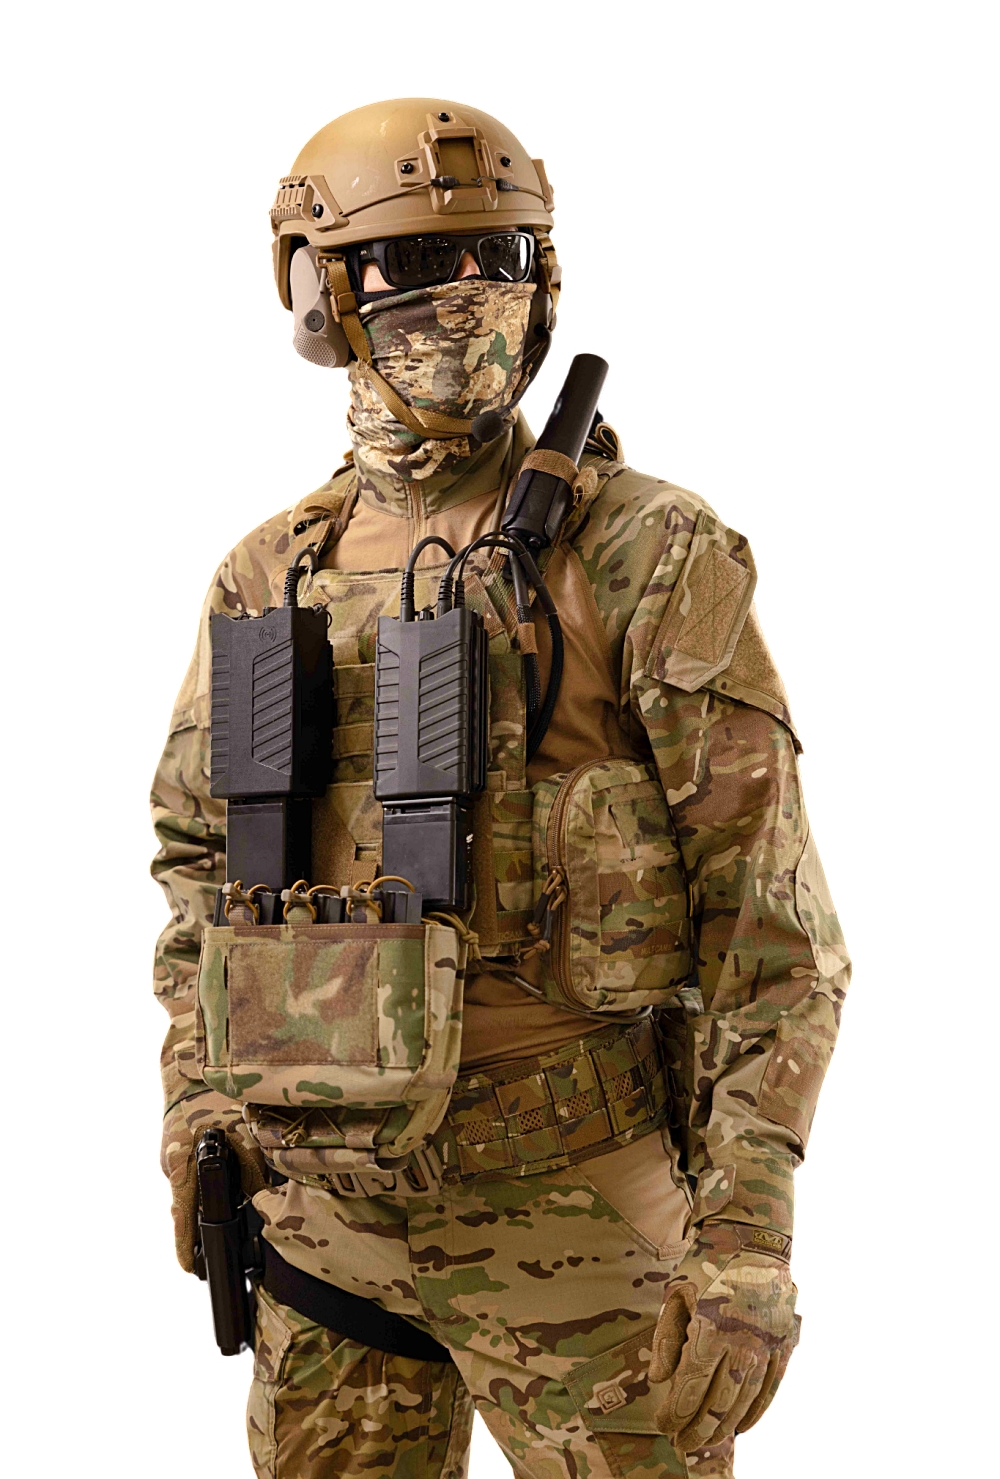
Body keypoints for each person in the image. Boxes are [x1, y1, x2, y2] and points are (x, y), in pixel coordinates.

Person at [151, 97, 850, 1479]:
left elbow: (770, 930)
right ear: (325, 296)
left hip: (586, 1232)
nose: (466, 293)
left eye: (500, 256)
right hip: (322, 1229)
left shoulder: (648, 552)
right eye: (417, 264)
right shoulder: (268, 574)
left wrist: (744, 1233)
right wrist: (199, 1102)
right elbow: (196, 873)